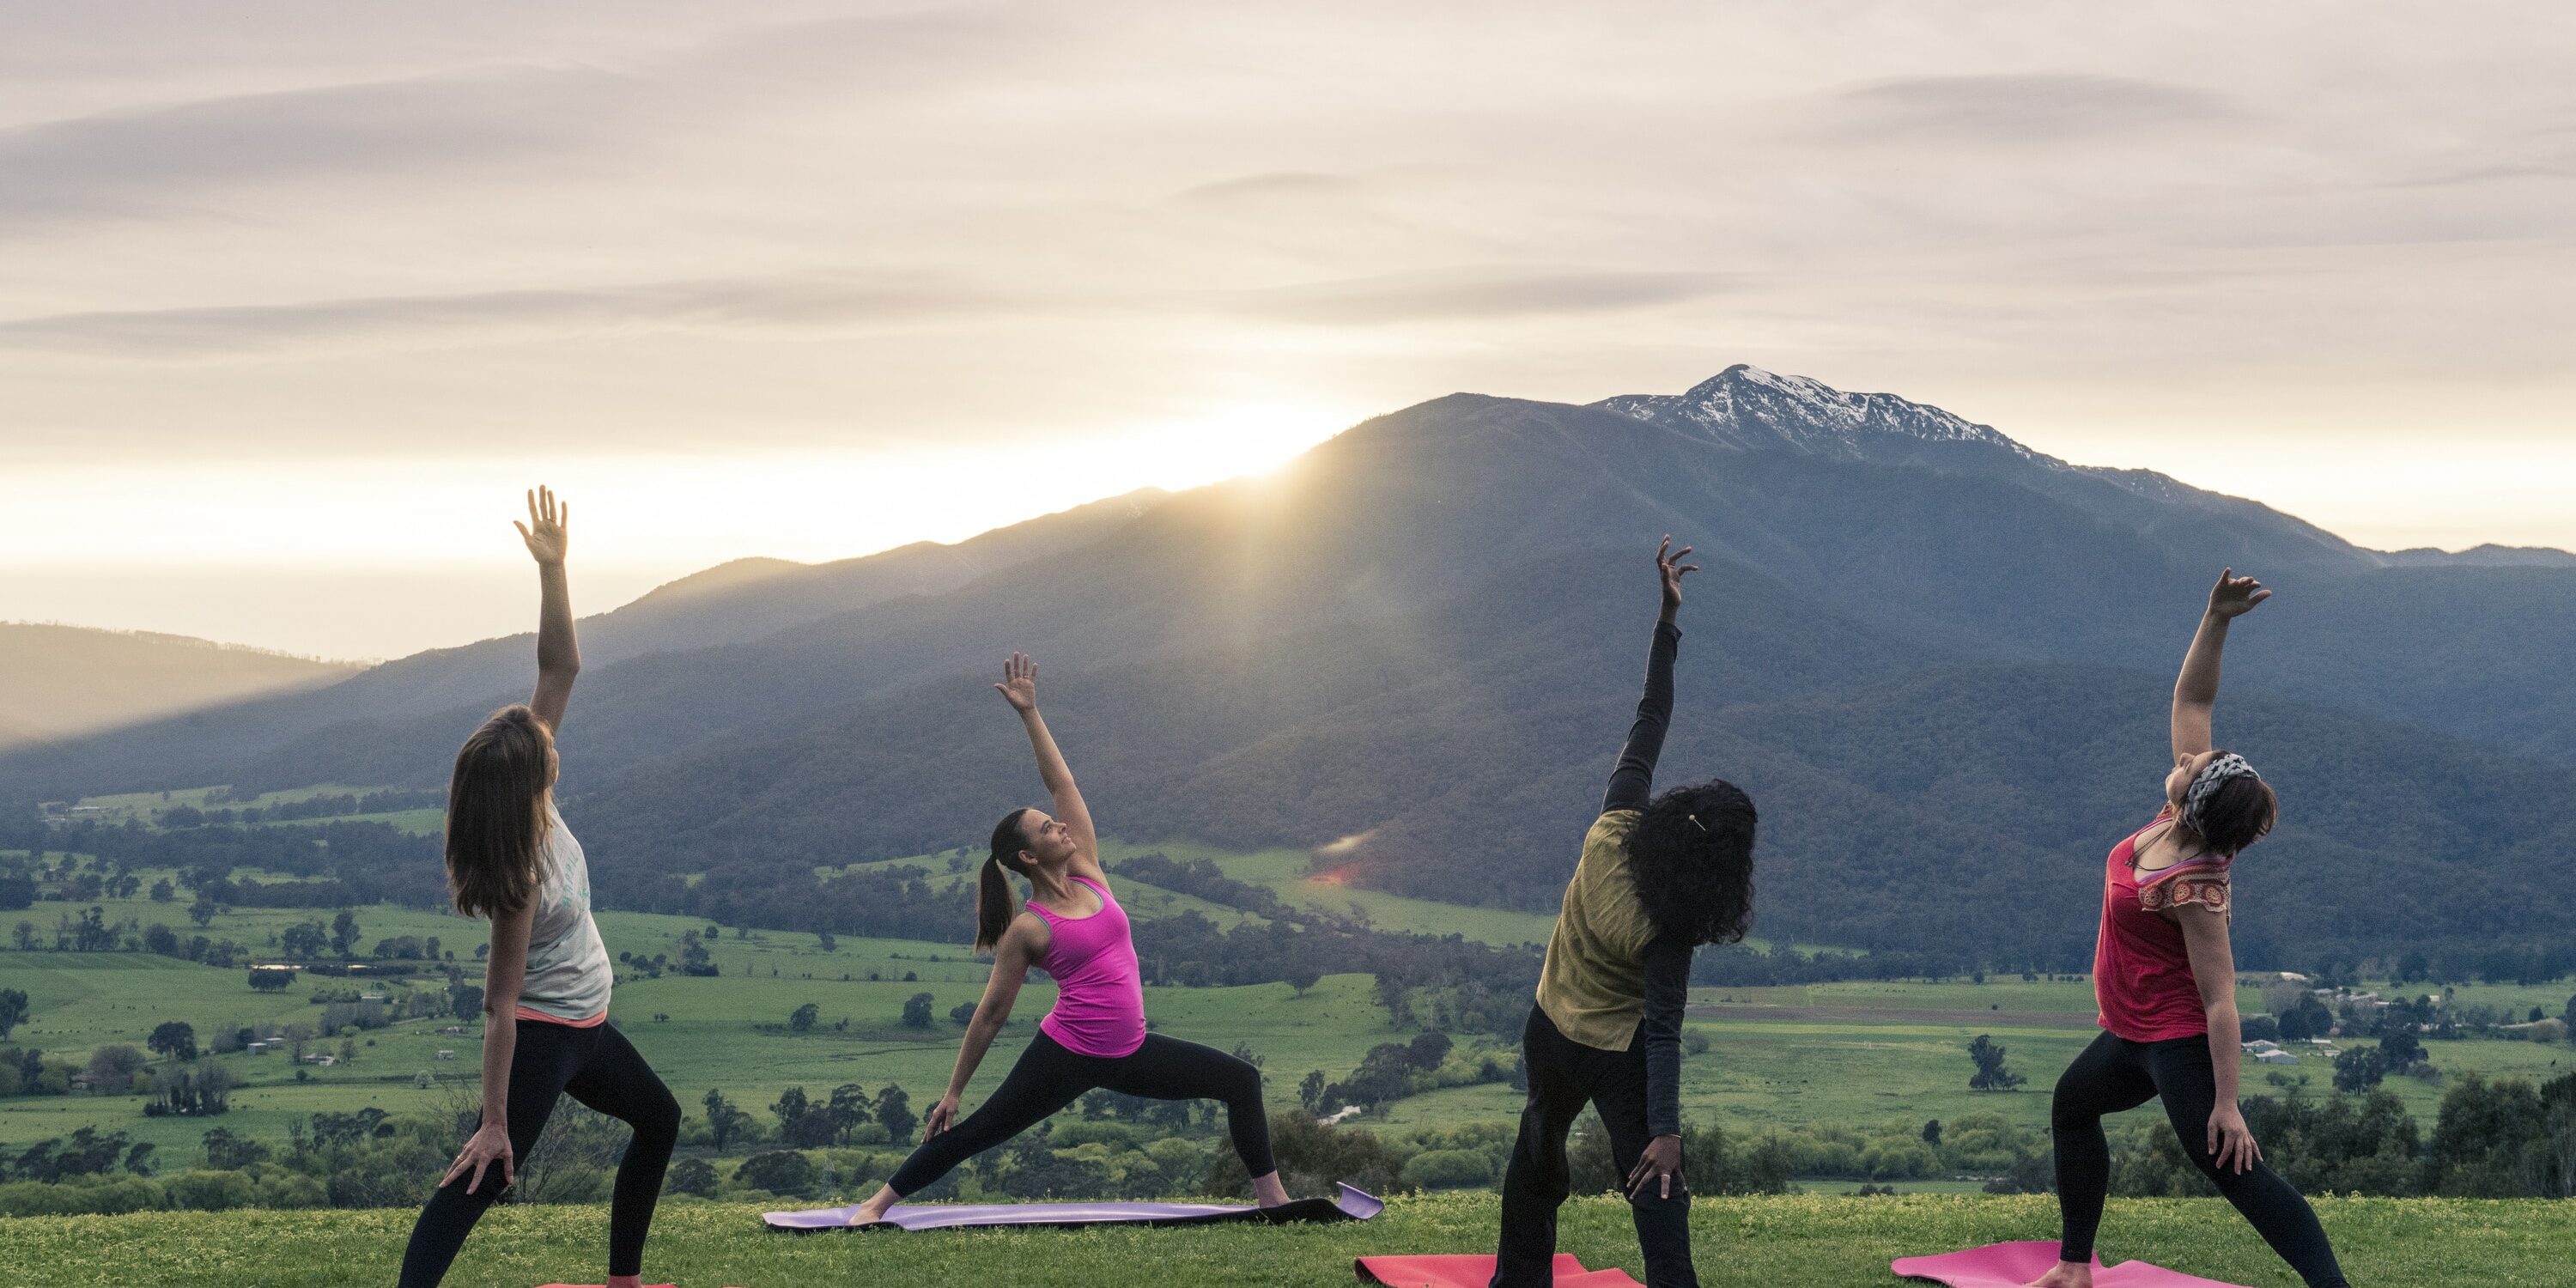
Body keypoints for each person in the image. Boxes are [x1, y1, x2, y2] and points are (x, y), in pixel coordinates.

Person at [839, 651, 1290, 1224]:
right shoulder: (1029, 928)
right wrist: (953, 1091)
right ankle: (875, 1206)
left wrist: (1030, 714)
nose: (1061, 826)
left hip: (1131, 1051)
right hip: (1066, 1056)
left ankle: (1273, 1202)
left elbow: (1062, 781)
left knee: (1239, 1080)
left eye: (1055, 820)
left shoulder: (1090, 874)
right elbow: (991, 1015)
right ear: (1029, 855)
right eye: (1049, 828)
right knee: (979, 1131)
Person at [2026, 569, 2348, 1288]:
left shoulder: (2195, 886)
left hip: (2175, 1042)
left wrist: (2229, 1104)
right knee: (2072, 1108)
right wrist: (2218, 618)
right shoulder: (2181, 812)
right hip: (2130, 1032)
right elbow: (2193, 697)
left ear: (2196, 806)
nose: (2183, 756)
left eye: (2192, 764)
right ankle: (2075, 1268)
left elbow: (2222, 998)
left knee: (2233, 1167)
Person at [399, 489, 681, 1288]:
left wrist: (555, 571)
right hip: (545, 1034)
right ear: (527, 776)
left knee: (659, 1119)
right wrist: (493, 1118)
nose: (551, 743)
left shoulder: (532, 798)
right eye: (541, 745)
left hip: (587, 1026)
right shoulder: (521, 876)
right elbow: (498, 1004)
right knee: (483, 1174)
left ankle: (622, 1281)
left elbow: (560, 665)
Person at [1491, 538, 1755, 1288]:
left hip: (1548, 1026)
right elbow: (1663, 1032)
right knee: (1656, 1187)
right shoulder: (1670, 927)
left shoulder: (1614, 823)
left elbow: (1651, 715)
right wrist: (1666, 1134)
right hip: (1617, 1050)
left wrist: (1666, 619)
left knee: (1536, 1161)